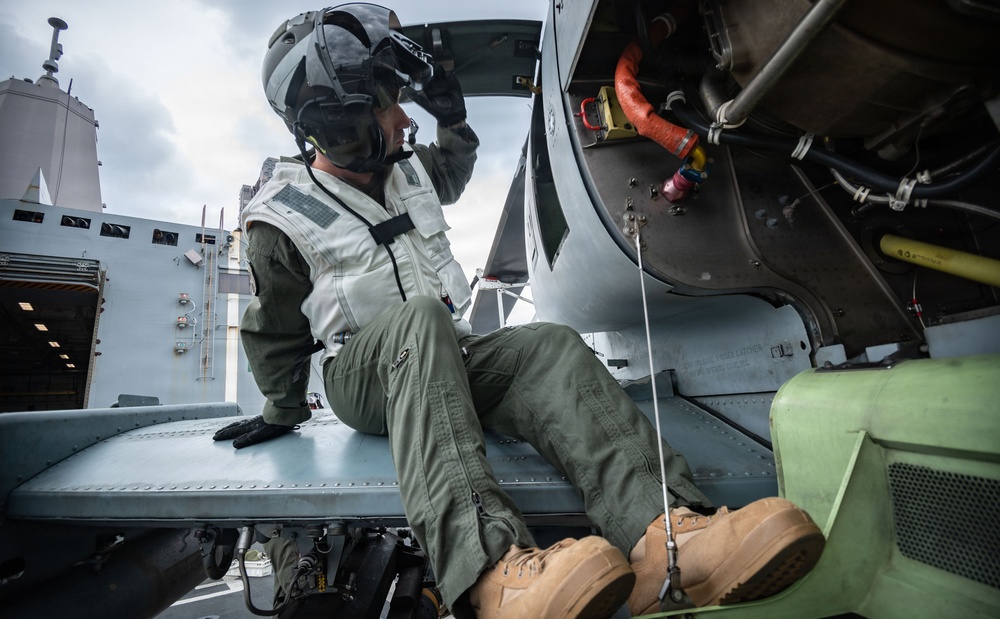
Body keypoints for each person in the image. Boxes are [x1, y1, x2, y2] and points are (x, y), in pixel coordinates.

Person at [214, 4, 826, 618]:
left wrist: (453, 117)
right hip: (367, 376)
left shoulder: (408, 170)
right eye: (387, 106)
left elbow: (452, 171)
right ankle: (491, 574)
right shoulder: (283, 217)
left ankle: (668, 538)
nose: (405, 118)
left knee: (548, 344)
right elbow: (275, 330)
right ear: (340, 124)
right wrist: (281, 410)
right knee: (422, 319)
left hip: (445, 355)